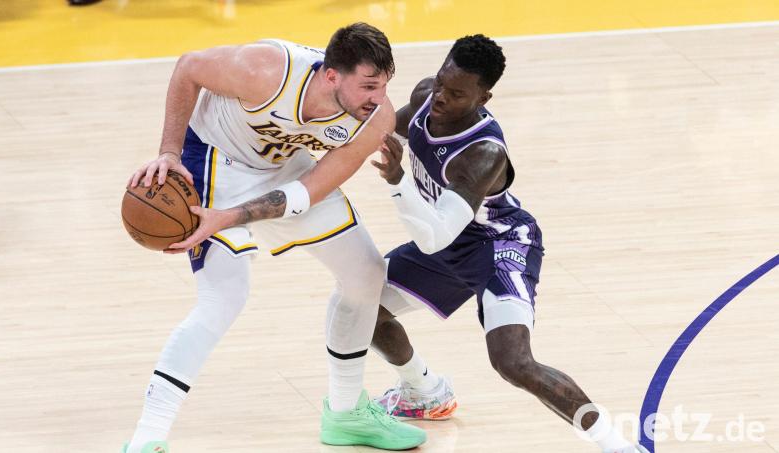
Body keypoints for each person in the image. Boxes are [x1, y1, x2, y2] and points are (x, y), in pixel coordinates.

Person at [123, 23, 426, 453]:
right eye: (368, 86)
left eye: (384, 86)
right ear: (332, 76)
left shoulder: (374, 120)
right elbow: (188, 68)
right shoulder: (265, 70)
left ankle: (345, 414)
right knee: (224, 297)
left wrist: (232, 217)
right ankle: (148, 435)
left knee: (366, 274)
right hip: (215, 160)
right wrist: (169, 153)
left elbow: (308, 191)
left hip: (283, 170)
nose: (379, 99)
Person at [369, 34, 646, 453]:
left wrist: (396, 180)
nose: (442, 97)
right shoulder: (426, 97)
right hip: (446, 241)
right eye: (442, 82)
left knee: (513, 362)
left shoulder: (483, 152)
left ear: (483, 98)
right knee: (362, 310)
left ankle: (617, 445)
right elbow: (387, 132)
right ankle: (424, 391)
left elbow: (435, 234)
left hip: (498, 246)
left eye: (457, 94)